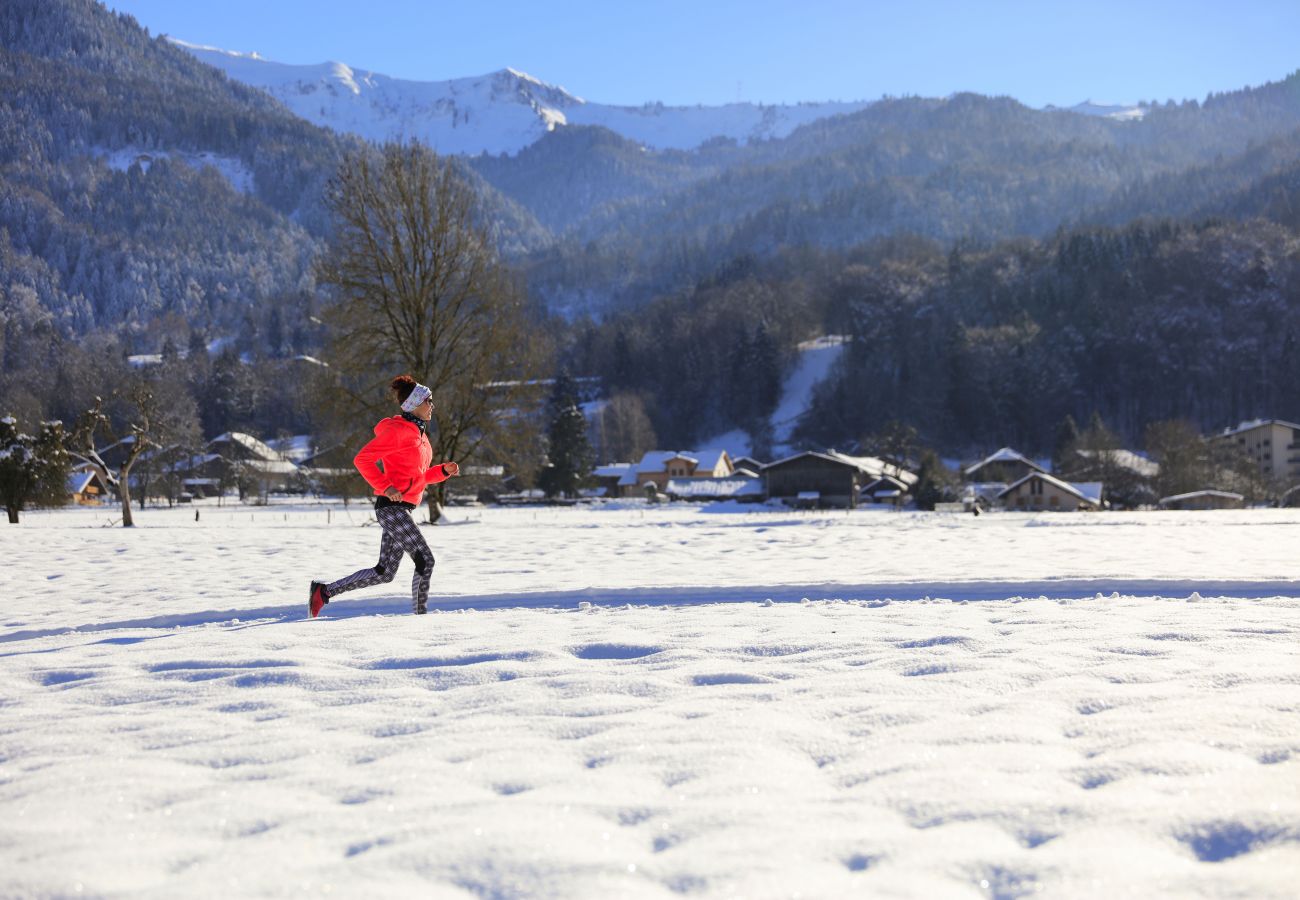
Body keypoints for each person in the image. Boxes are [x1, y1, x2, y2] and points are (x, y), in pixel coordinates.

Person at [309, 375, 460, 617]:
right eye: (428, 401)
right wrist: (386, 486)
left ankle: (323, 592)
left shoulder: (421, 438)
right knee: (425, 560)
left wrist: (442, 471)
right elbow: (362, 459)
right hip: (391, 508)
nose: (432, 405)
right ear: (414, 405)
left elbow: (419, 477)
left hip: (401, 508)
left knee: (385, 572)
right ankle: (421, 618)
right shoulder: (399, 432)